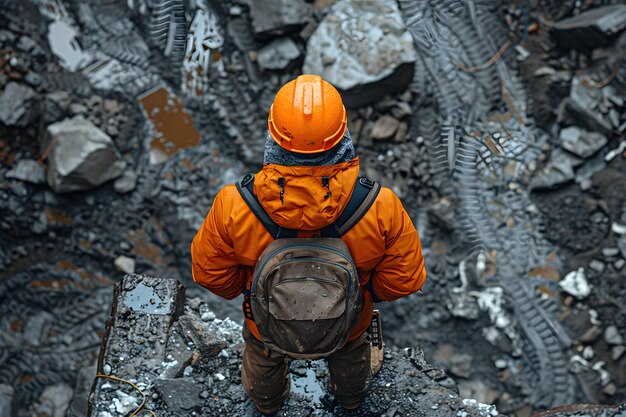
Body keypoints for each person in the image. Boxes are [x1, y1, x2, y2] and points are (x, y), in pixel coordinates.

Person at [191, 74, 426, 415]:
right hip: (347, 324)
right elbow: (406, 280)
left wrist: (256, 289)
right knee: (351, 357)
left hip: (267, 323)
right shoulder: (380, 205)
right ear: (342, 137)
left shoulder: (234, 205)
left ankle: (268, 404)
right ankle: (351, 400)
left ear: (273, 137)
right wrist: (360, 293)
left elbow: (210, 275)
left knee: (263, 357)